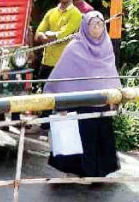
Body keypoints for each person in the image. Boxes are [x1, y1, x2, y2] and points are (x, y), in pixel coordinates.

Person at [44, 11, 120, 178]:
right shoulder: (75, 47)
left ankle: (100, 172)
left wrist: (117, 94)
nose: (98, 27)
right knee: (81, 141)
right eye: (94, 24)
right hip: (81, 106)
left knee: (101, 140)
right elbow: (61, 75)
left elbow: (111, 72)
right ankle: (76, 172)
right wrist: (60, 103)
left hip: (102, 105)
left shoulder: (107, 45)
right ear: (85, 26)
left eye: (101, 24)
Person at [34, 0, 83, 82]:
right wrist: (45, 36)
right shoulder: (51, 13)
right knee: (44, 95)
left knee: (63, 97)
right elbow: (37, 34)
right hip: (46, 63)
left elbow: (62, 35)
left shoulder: (76, 14)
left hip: (65, 64)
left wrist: (48, 36)